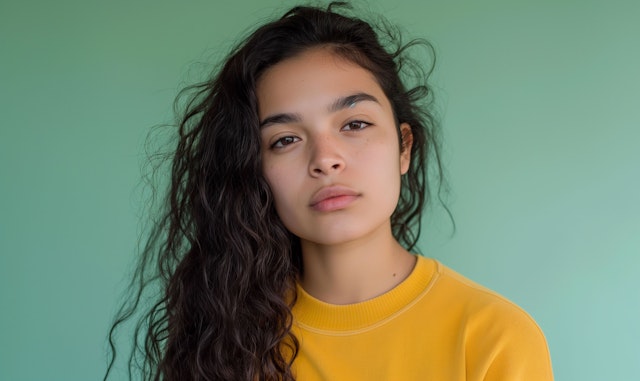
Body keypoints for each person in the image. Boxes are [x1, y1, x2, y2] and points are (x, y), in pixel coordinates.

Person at [105, 2, 553, 380]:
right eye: (285, 140)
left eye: (354, 124)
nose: (325, 158)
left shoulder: (494, 338)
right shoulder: (226, 339)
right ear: (252, 173)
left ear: (404, 147)